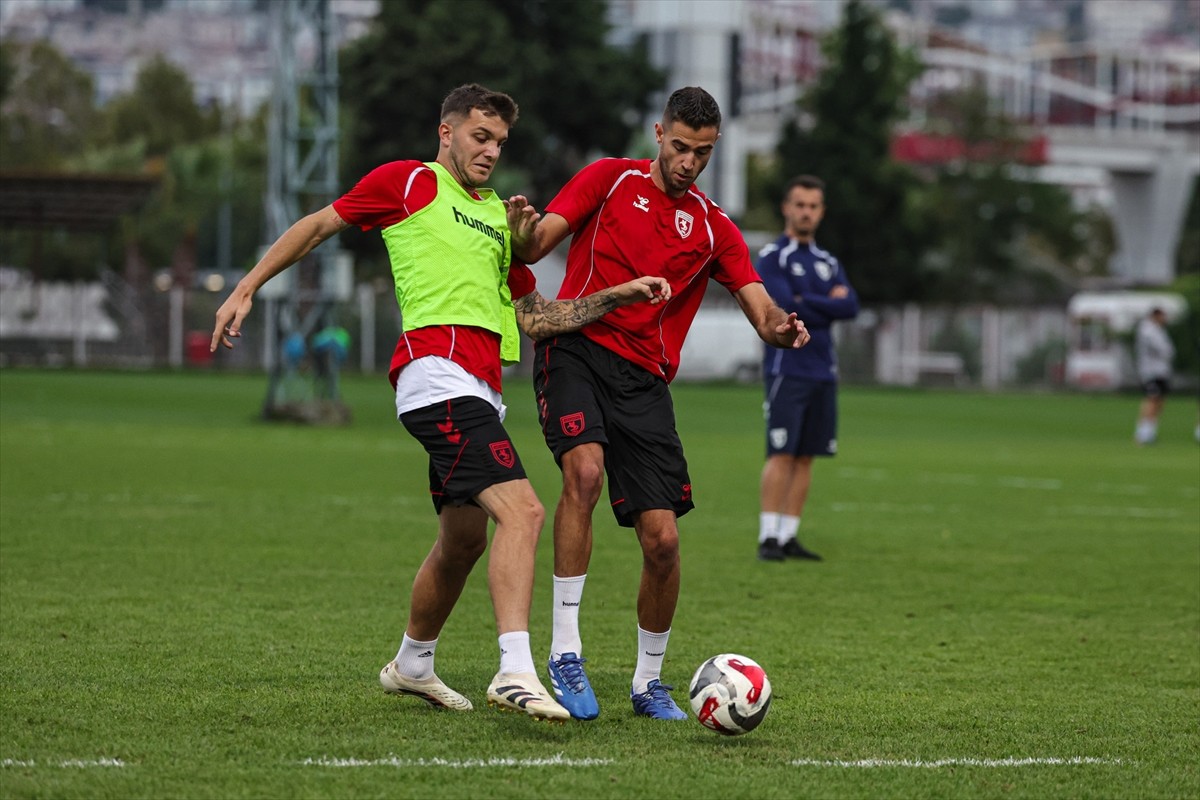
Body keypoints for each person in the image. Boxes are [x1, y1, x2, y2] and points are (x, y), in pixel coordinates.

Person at [209, 83, 671, 723]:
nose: (490, 151)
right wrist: (247, 286)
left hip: (481, 387)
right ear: (446, 132)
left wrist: (619, 294)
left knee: (462, 540)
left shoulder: (495, 219)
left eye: (500, 142)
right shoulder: (408, 183)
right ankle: (514, 669)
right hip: (436, 376)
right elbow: (320, 224)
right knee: (526, 511)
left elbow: (538, 319)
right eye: (480, 137)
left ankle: (412, 665)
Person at [505, 86, 810, 722]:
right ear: (658, 134)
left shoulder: (715, 227)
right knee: (582, 474)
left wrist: (782, 327)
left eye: (701, 152)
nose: (688, 161)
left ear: (713, 148)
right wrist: (522, 231)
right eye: (679, 147)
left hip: (644, 382)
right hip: (576, 347)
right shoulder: (607, 180)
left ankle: (648, 684)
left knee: (663, 540)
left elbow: (760, 308)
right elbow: (536, 248)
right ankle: (565, 653)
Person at [755, 175, 859, 562]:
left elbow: (851, 306)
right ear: (787, 207)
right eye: (800, 204)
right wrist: (822, 303)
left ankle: (788, 535)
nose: (806, 212)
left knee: (806, 456)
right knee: (781, 453)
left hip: (823, 372)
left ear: (821, 212)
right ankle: (767, 536)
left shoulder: (828, 261)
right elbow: (782, 305)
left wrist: (808, 301)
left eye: (813, 206)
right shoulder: (772, 257)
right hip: (787, 369)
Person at [1133, 307, 1174, 445]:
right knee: (1151, 399)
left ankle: (1150, 431)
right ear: (1156, 315)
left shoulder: (1158, 330)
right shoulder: (1147, 330)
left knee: (1160, 401)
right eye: (1163, 316)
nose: (1165, 319)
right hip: (1150, 371)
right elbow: (1161, 349)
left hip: (1162, 370)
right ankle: (1141, 433)